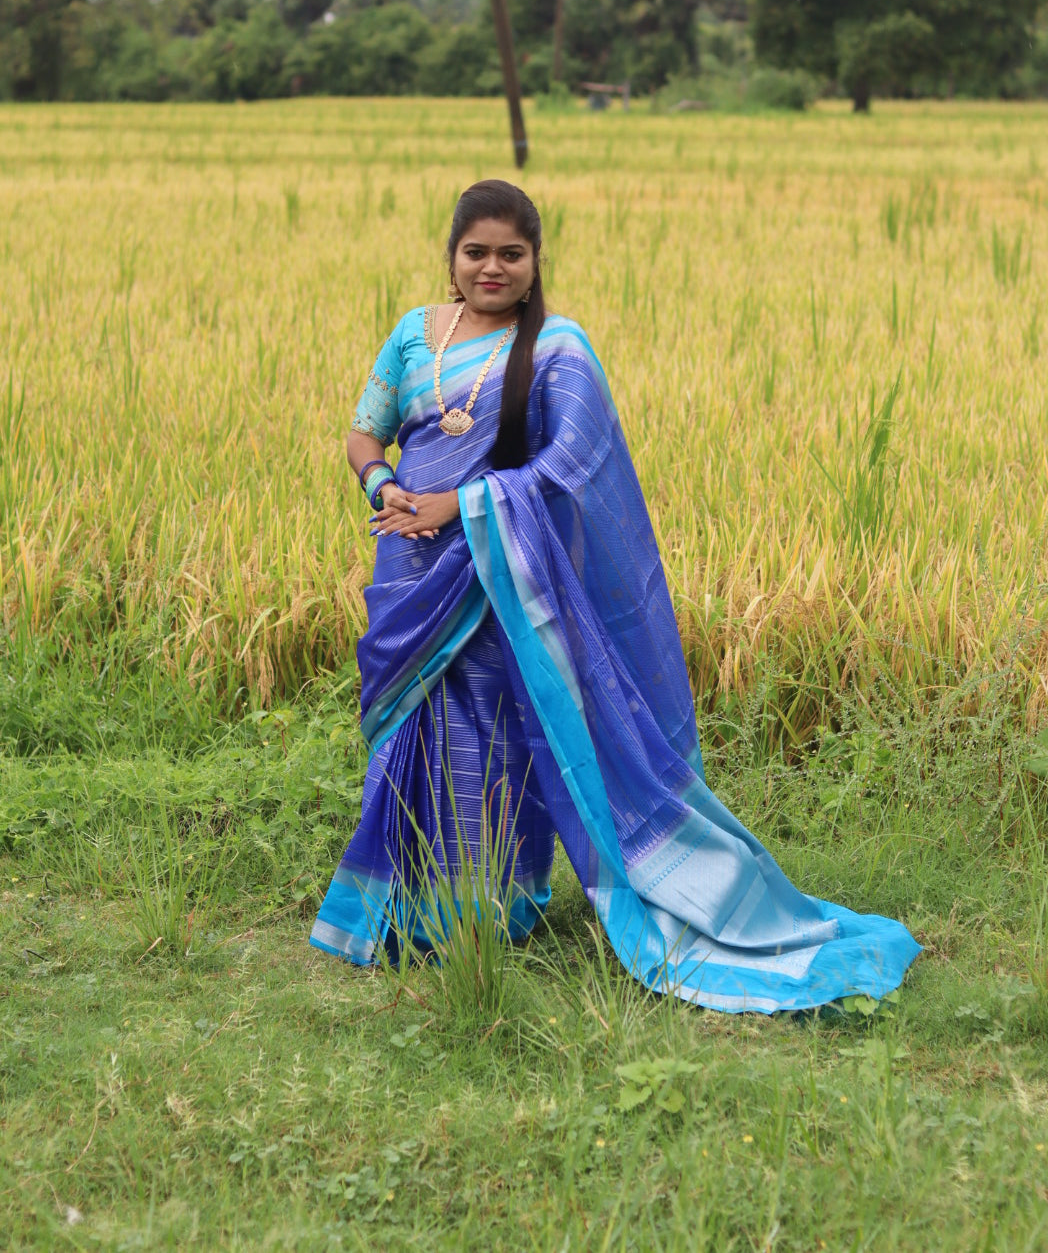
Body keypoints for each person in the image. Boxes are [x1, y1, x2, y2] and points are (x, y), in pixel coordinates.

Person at [310, 179, 920, 1013]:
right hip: (410, 568)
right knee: (413, 734)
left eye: (511, 253)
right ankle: (401, 908)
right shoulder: (414, 335)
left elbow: (574, 469)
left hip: (499, 573)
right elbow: (362, 430)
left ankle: (488, 912)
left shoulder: (559, 348)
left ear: (534, 261)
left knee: (490, 740)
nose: (492, 267)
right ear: (451, 257)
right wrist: (382, 485)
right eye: (476, 251)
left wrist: (463, 505)